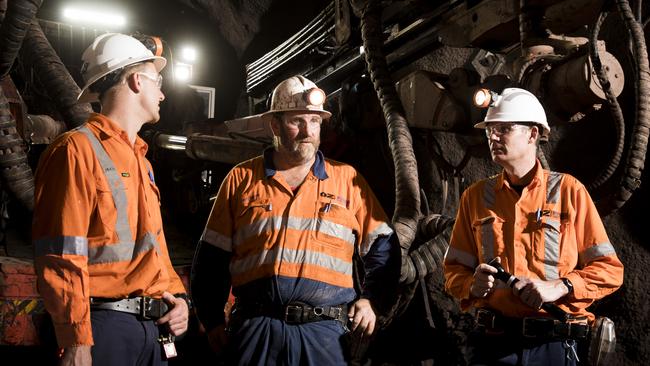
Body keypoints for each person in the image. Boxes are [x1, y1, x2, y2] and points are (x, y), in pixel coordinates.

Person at [191, 75, 398, 365]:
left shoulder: (347, 180)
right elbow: (211, 257)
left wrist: (372, 300)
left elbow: (384, 247)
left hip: (324, 332)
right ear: (274, 125)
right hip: (256, 328)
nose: (308, 132)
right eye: (296, 122)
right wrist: (211, 319)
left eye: (314, 122)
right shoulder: (241, 179)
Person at [33, 33, 189, 366]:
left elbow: (154, 248)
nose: (162, 93)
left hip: (152, 330)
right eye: (157, 81)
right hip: (102, 328)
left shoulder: (141, 161)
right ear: (136, 81)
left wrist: (178, 299)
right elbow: (61, 254)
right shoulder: (75, 151)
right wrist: (76, 340)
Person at [443, 88, 624, 365]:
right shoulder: (476, 197)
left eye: (504, 128)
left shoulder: (569, 191)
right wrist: (471, 285)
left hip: (554, 346)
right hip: (493, 346)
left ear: (532, 134)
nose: (492, 136)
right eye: (490, 129)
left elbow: (609, 270)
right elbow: (453, 270)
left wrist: (560, 286)